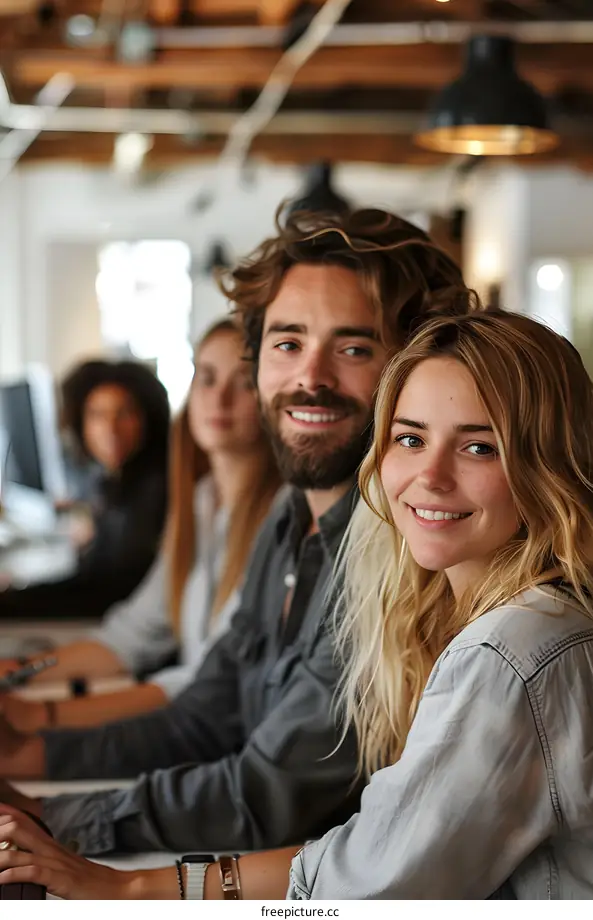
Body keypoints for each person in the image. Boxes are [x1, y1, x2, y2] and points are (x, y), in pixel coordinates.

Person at [4, 307, 593, 900]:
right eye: (411, 439)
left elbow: (367, 882)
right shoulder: (479, 615)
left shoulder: (511, 648)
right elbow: (372, 849)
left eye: (479, 448)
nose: (430, 476)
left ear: (550, 461)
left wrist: (129, 886)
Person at [0, 207, 468, 860]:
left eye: (354, 348)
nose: (312, 377)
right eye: (288, 342)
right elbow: (203, 716)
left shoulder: (404, 549)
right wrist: (28, 756)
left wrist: (57, 819)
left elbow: (269, 792)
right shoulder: (289, 516)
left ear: (414, 366)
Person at [0, 320, 282, 732]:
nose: (218, 397)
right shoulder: (200, 502)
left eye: (244, 381)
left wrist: (40, 718)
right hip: (184, 724)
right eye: (205, 378)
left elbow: (210, 683)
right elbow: (131, 635)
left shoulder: (283, 518)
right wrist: (17, 670)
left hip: (213, 739)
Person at [0, 360, 170, 619]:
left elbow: (107, 590)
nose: (110, 429)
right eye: (97, 415)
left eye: (124, 413)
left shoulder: (155, 488)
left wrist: (14, 601)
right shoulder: (115, 484)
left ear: (147, 418)